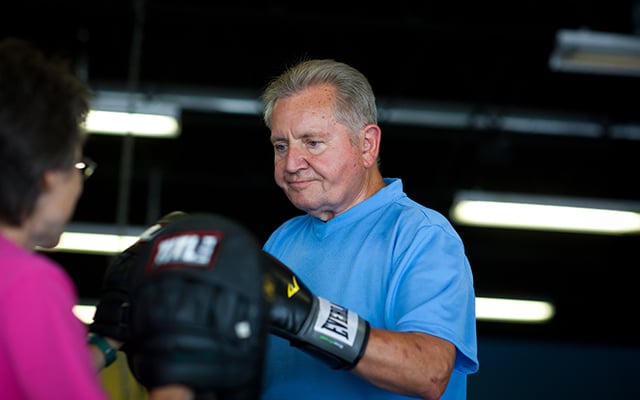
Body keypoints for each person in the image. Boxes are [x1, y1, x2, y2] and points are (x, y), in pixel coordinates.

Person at [258, 58, 479, 400]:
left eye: (312, 143)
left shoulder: (421, 236)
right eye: (281, 146)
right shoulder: (282, 241)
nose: (290, 164)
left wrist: (311, 319)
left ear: (367, 145)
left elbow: (429, 371)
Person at [0, 37, 192, 400]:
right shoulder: (31, 284)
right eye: (78, 166)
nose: (79, 185)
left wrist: (105, 342)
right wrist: (180, 374)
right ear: (48, 175)